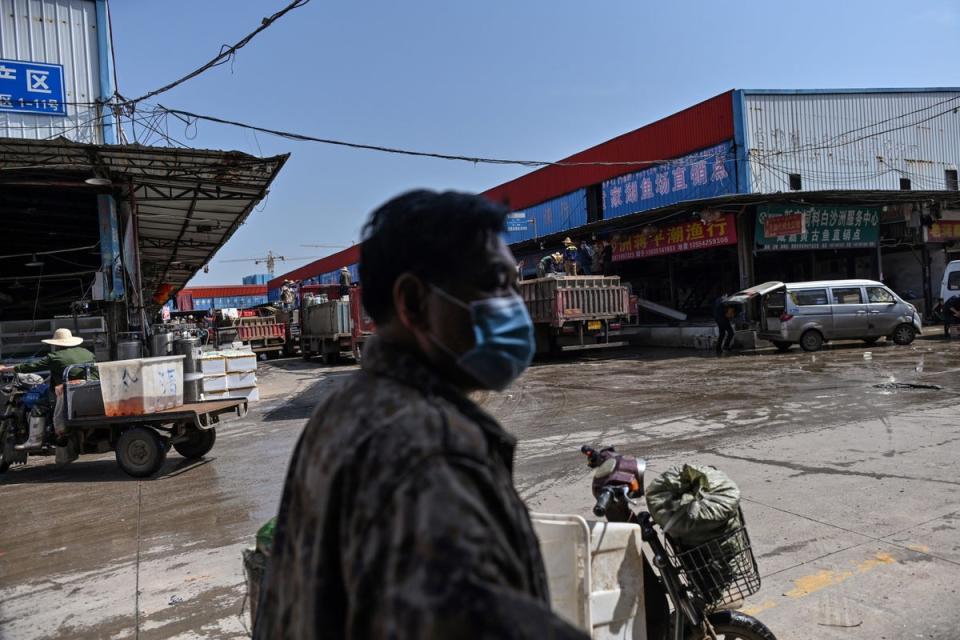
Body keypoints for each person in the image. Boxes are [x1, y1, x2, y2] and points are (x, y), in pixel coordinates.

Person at [255, 190, 587, 640]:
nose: (515, 306)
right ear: (413, 302)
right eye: (494, 283)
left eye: (514, 283)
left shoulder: (345, 409)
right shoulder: (429, 452)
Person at [0, 328, 95, 448]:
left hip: (67, 393)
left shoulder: (54, 357)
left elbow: (30, 366)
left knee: (38, 405)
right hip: (89, 390)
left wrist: (5, 369)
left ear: (56, 345)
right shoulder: (87, 353)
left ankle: (34, 440)